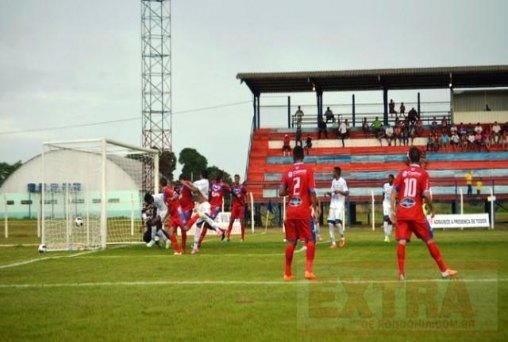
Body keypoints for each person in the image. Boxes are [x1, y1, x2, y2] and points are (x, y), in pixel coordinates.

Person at [390, 146, 458, 280]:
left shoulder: (402, 173)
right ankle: (444, 270)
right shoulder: (423, 174)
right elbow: (426, 195)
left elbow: (393, 193)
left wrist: (392, 210)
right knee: (429, 240)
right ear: (420, 158)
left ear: (408, 157)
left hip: (402, 212)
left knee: (401, 242)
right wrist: (431, 207)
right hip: (416, 213)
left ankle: (402, 273)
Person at [279, 145, 319, 281]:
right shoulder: (308, 170)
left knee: (291, 241)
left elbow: (281, 192)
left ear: (292, 156)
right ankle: (308, 271)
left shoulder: (287, 171)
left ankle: (287, 273)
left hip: (290, 210)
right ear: (303, 156)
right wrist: (315, 209)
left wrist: (290, 191)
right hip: (303, 210)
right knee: (310, 239)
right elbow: (312, 192)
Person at [182, 169, 226, 254]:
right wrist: (187, 183)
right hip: (200, 206)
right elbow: (193, 188)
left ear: (201, 175)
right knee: (198, 226)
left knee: (205, 217)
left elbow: (194, 189)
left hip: (205, 205)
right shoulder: (203, 182)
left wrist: (185, 184)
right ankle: (195, 248)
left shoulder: (204, 182)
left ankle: (218, 230)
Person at [197, 172, 230, 248]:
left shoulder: (223, 185)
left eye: (218, 175)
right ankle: (222, 231)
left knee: (206, 224)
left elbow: (230, 190)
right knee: (208, 223)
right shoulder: (212, 183)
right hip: (210, 206)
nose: (217, 176)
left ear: (221, 177)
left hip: (216, 207)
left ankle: (199, 243)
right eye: (216, 175)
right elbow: (208, 191)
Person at [326, 166, 349, 248]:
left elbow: (347, 193)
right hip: (333, 204)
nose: (332, 173)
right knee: (330, 223)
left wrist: (339, 191)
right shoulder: (333, 181)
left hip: (339, 204)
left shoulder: (343, 181)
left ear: (337, 173)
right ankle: (333, 243)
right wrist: (329, 193)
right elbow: (332, 192)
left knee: (337, 222)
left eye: (333, 172)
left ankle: (342, 237)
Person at [227, 174, 247, 242]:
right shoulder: (232, 187)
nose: (236, 180)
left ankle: (242, 237)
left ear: (239, 179)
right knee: (231, 220)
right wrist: (230, 205)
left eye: (237, 179)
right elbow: (231, 197)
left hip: (241, 206)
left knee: (242, 221)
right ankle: (228, 236)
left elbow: (245, 195)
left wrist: (245, 203)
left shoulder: (242, 187)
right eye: (235, 179)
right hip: (235, 205)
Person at [382, 174, 394, 242]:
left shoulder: (395, 186)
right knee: (386, 218)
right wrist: (382, 201)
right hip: (386, 203)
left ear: (393, 179)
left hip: (392, 204)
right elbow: (383, 193)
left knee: (390, 220)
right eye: (388, 178)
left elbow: (397, 195)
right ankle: (386, 236)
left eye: (390, 178)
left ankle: (388, 235)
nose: (388, 179)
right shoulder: (385, 185)